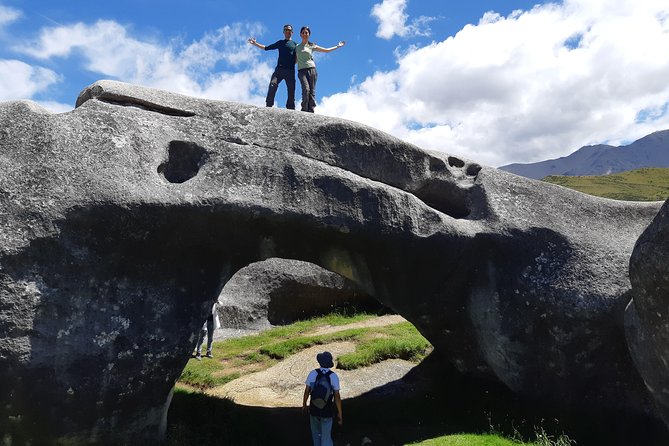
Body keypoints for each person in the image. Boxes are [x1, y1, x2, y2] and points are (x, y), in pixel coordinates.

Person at [296, 26, 345, 113]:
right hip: (301, 71)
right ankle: (304, 109)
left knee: (312, 91)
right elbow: (295, 60)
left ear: (309, 34)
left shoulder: (312, 46)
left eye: (306, 32)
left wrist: (337, 46)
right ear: (300, 34)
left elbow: (326, 50)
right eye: (303, 32)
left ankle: (311, 110)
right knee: (306, 89)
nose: (304, 34)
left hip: (312, 70)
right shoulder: (297, 47)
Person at [248, 25, 297, 109]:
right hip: (279, 70)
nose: (288, 32)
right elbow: (267, 48)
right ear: (284, 32)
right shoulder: (280, 43)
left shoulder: (295, 44)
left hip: (290, 71)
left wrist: (292, 63)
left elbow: (297, 58)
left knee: (291, 89)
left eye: (289, 30)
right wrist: (255, 44)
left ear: (292, 32)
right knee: (272, 84)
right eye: (286, 30)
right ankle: (269, 105)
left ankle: (290, 108)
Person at [302, 351, 343, 446]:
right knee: (326, 437)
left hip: (314, 409)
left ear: (319, 362)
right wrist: (340, 413)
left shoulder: (313, 373)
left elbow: (307, 391)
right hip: (327, 411)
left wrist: (304, 404)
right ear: (329, 364)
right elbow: (337, 397)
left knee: (315, 435)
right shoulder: (333, 376)